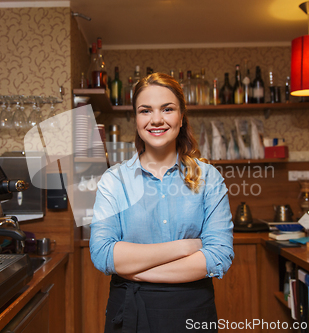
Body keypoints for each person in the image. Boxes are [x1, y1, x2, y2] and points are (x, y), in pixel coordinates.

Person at [90, 72, 234, 333]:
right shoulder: (114, 180)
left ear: (181, 116)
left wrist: (133, 269)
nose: (156, 119)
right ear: (136, 119)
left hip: (193, 312)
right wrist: (184, 247)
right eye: (145, 111)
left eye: (167, 109)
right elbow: (103, 254)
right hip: (130, 311)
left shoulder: (209, 178)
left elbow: (218, 256)